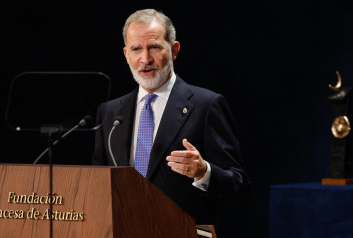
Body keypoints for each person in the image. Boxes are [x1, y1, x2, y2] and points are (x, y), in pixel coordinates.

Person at [92, 8, 251, 235]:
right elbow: (98, 186)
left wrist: (204, 171)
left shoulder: (207, 105)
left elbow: (240, 187)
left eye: (154, 47)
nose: (145, 59)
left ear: (174, 50)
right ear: (126, 55)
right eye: (136, 49)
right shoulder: (109, 113)